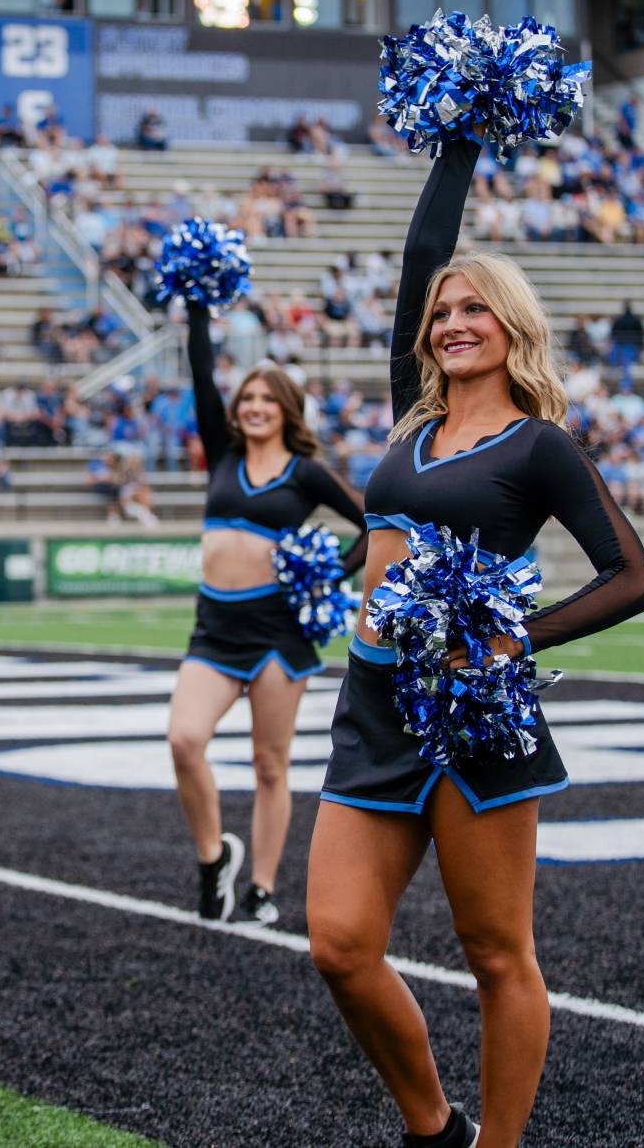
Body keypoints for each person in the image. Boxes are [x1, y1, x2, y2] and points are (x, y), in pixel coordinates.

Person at [309, 139, 644, 1148]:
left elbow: (629, 575)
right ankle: (433, 1125)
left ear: (512, 329)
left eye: (474, 309)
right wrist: (458, 141)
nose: (451, 321)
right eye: (442, 311)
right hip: (372, 706)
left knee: (494, 952)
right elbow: (420, 252)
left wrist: (511, 642)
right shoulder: (408, 418)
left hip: (471, 717)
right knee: (336, 942)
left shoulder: (537, 445)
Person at [169, 302, 366, 924]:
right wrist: (198, 306)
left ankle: (260, 887)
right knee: (183, 739)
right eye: (247, 398)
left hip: (279, 633)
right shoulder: (221, 455)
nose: (253, 406)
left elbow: (374, 524)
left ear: (287, 410)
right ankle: (212, 858)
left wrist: (330, 575)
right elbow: (202, 373)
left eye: (267, 399)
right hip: (215, 629)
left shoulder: (306, 474)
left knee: (269, 764)